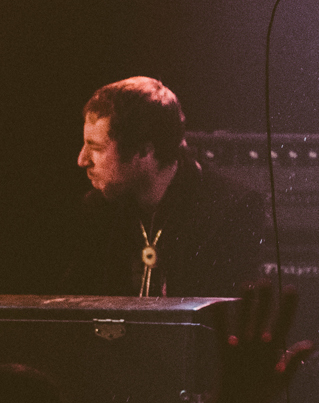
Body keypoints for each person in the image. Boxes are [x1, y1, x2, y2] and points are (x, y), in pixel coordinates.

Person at [64, 77, 265, 298]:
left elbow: (220, 321)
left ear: (143, 151)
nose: (82, 160)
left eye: (96, 148)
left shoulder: (229, 210)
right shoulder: (99, 208)